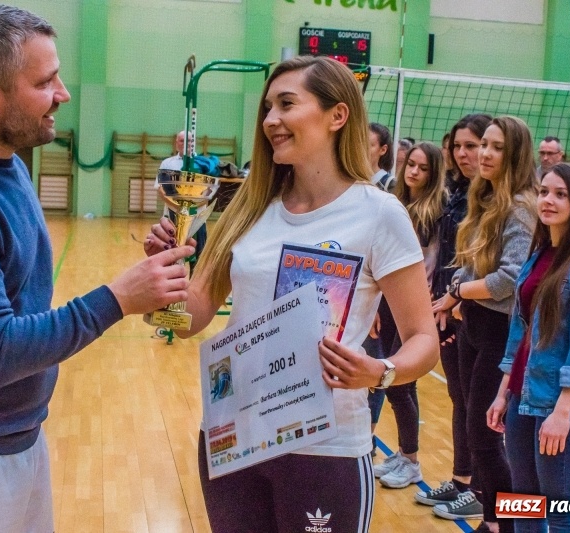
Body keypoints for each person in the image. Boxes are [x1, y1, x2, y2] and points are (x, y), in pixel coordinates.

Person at [0, 5, 193, 532]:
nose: (63, 94)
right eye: (46, 82)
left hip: (13, 438)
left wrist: (148, 280)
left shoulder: (5, 167)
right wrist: (118, 298)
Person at [145, 55, 439, 533]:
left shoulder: (379, 214)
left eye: (286, 104)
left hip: (324, 448)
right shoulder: (250, 206)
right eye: (267, 109)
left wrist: (380, 372)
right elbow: (190, 318)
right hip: (232, 435)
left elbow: (423, 339)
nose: (270, 121)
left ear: (337, 116)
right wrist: (163, 290)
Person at [487, 163, 570, 532]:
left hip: (563, 408)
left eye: (560, 194)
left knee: (557, 512)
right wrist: (502, 394)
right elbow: (521, 332)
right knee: (524, 502)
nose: (548, 200)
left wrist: (562, 414)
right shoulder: (540, 253)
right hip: (523, 398)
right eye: (544, 191)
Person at [432, 116, 538, 533]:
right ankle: (494, 521)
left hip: (501, 332)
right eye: (484, 146)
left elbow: (510, 279)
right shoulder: (487, 198)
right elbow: (472, 266)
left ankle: (507, 525)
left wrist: (457, 292)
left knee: (487, 436)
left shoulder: (521, 207)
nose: (484, 154)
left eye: (495, 147)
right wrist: (459, 291)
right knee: (478, 433)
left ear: (514, 154)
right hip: (474, 324)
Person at [414, 113, 491, 516]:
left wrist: (460, 298)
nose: (463, 154)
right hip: (450, 307)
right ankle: (465, 480)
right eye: (457, 146)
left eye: (473, 145)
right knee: (461, 399)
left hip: (481, 315)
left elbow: (499, 268)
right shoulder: (460, 193)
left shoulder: (501, 201)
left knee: (483, 410)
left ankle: (486, 494)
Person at [373, 142, 446, 490]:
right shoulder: (397, 204)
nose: (414, 172)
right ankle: (405, 453)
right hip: (388, 301)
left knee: (400, 383)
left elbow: (428, 264)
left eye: (423, 168)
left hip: (413, 302)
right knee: (395, 384)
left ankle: (412, 460)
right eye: (410, 165)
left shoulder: (435, 211)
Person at [364, 122, 396, 458]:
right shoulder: (352, 186)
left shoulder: (389, 189)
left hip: (381, 294)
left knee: (377, 366)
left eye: (368, 144)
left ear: (382, 150)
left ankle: (368, 436)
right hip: (355, 292)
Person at [157, 130, 206, 274]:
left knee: (198, 259)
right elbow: (161, 190)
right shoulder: (168, 163)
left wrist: (193, 208)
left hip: (197, 219)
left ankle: (192, 293)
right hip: (173, 220)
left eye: (190, 141)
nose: (187, 144)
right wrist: (179, 208)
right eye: (182, 141)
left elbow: (208, 193)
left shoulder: (202, 164)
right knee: (173, 257)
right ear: (176, 143)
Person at [368, 122, 394, 191]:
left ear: (383, 150)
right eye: (360, 143)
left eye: (368, 145)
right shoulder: (348, 180)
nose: (362, 148)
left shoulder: (389, 184)